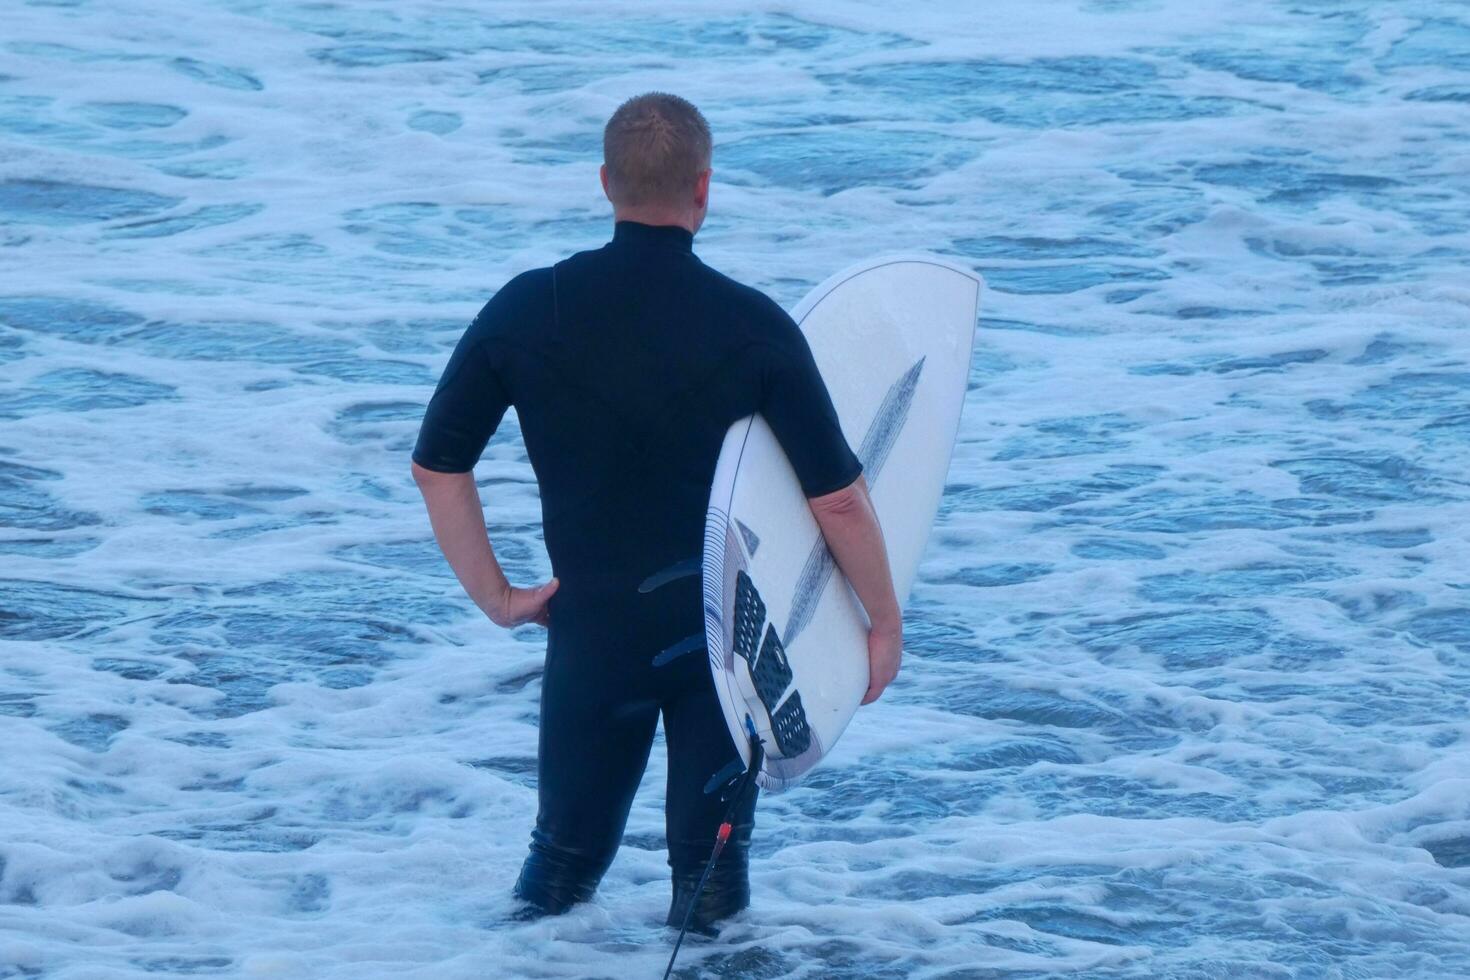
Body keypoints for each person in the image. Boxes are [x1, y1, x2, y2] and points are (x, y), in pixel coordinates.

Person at [410, 92, 902, 933]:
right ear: (704, 189)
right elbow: (839, 499)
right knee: (710, 890)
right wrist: (880, 622)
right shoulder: (754, 327)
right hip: (722, 643)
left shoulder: (529, 308)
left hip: (592, 633)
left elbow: (437, 466)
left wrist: (498, 597)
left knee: (557, 873)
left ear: (605, 182)